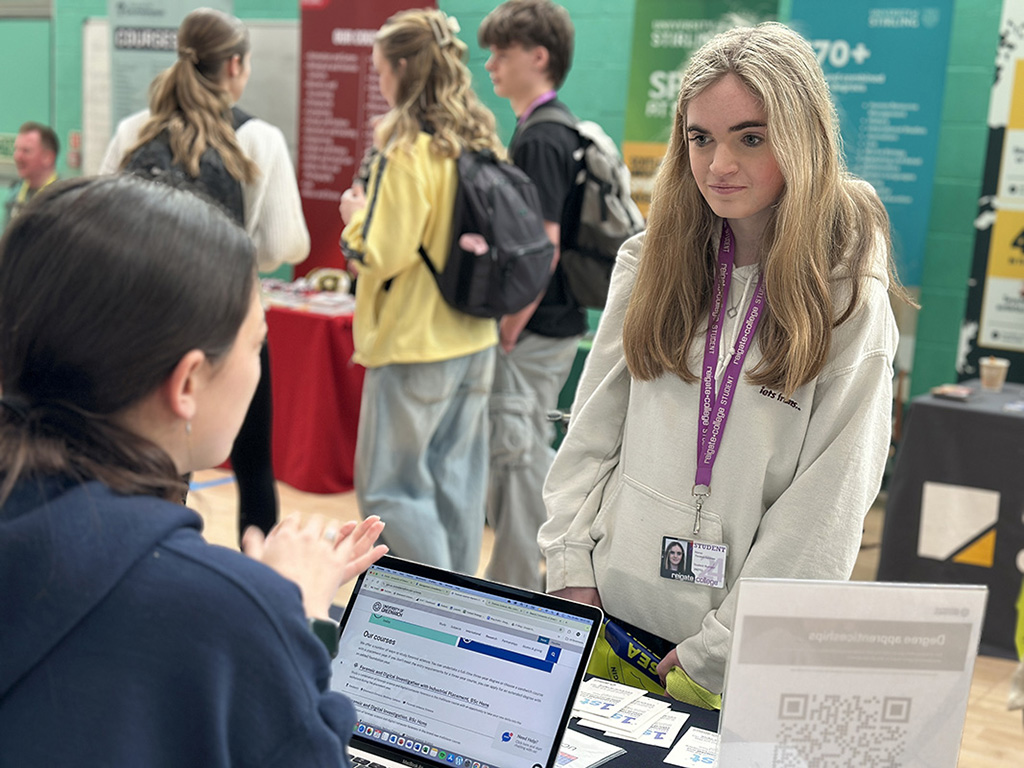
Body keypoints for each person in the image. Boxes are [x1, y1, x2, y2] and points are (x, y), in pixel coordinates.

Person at [539, 22, 909, 708]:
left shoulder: (848, 300)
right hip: (605, 623)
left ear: (801, 139)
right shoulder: (651, 261)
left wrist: (722, 649)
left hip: (729, 659)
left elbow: (824, 515)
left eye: (750, 137)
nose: (718, 165)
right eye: (700, 137)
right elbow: (590, 437)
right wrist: (568, 568)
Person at [0, 175, 387, 765]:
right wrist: (296, 613)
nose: (259, 368)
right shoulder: (221, 618)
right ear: (186, 383)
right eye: (257, 344)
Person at [99, 7, 308, 541]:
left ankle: (151, 565)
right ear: (236, 65)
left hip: (140, 327)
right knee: (254, 466)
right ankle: (259, 587)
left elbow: (101, 224)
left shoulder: (133, 130)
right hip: (228, 326)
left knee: (152, 461)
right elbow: (283, 246)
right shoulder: (258, 139)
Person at [338, 9, 499, 574]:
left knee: (393, 493)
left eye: (380, 71)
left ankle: (433, 612)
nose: (379, 84)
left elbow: (385, 254)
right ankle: (463, 612)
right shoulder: (477, 138)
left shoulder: (407, 149)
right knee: (457, 484)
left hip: (414, 344)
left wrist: (354, 218)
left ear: (403, 69)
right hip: (475, 336)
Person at [477, 0, 586, 591]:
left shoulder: (542, 137)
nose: (489, 63)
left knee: (517, 460)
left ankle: (515, 587)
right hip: (548, 322)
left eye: (501, 52)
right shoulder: (548, 127)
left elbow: (540, 247)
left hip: (536, 326)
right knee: (520, 455)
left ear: (537, 57)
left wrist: (508, 328)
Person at [3, 122, 58, 229]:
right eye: (16, 149)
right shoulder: (14, 196)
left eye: (26, 151)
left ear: (48, 157)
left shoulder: (64, 201)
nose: (17, 157)